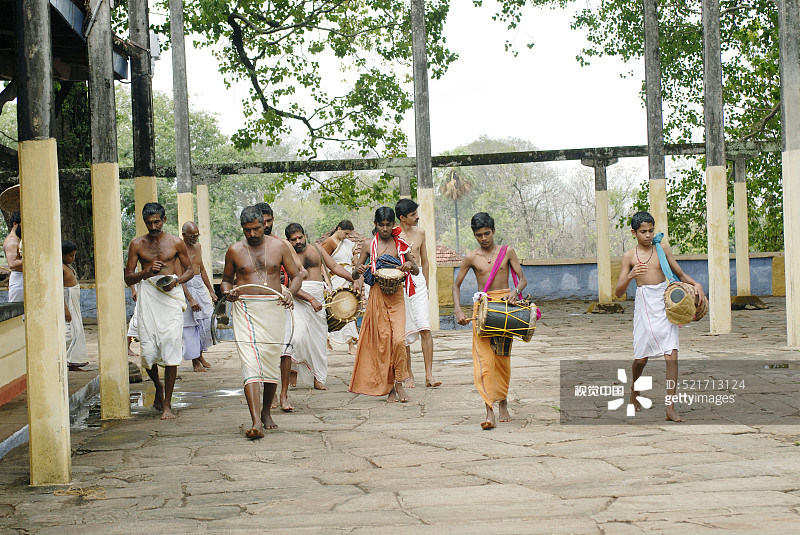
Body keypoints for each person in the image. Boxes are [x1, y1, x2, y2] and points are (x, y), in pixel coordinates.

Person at [615, 211, 706, 423]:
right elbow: (618, 292)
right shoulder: (629, 256)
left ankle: (670, 408)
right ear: (634, 233)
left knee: (671, 355)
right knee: (641, 359)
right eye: (643, 232)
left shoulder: (662, 248)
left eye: (651, 231)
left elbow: (680, 275)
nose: (648, 235)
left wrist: (696, 284)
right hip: (644, 305)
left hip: (665, 302)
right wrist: (630, 276)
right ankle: (634, 391)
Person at [222, 206, 302, 439]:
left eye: (256, 228)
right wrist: (229, 293)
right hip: (245, 308)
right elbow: (226, 281)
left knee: (269, 362)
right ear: (242, 229)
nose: (252, 234)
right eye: (247, 230)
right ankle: (255, 421)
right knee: (250, 363)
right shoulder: (235, 250)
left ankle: (266, 412)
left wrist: (289, 293)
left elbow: (296, 276)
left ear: (264, 224)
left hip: (274, 307)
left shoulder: (279, 246)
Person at [453, 212, 527, 430]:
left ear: (493, 231)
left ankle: (503, 401)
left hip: (505, 309)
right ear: (474, 235)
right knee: (484, 361)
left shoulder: (507, 252)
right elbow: (456, 286)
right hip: (483, 310)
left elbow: (522, 279)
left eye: (487, 233)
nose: (484, 238)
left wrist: (515, 292)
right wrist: (458, 310)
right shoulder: (471, 257)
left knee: (502, 359)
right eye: (479, 235)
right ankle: (489, 410)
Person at [124, 202, 194, 420]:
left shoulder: (175, 242)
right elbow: (128, 277)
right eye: (149, 223)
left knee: (171, 344)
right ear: (145, 222)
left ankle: (167, 405)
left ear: (164, 219)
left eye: (157, 221)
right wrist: (145, 271)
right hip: (149, 297)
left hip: (171, 296)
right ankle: (158, 386)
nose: (153, 226)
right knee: (148, 349)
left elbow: (190, 270)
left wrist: (177, 282)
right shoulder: (137, 244)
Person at [349, 207, 418, 403]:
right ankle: (390, 389)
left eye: (389, 225)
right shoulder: (368, 245)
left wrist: (408, 266)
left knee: (398, 340)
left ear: (394, 224)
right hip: (377, 295)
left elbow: (416, 271)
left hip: (396, 296)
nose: (385, 228)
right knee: (384, 342)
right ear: (375, 225)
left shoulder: (401, 244)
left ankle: (399, 382)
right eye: (381, 225)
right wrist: (358, 270)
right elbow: (355, 275)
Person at [285, 223, 355, 393]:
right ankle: (293, 369)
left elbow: (335, 267)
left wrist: (353, 278)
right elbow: (288, 283)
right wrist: (309, 299)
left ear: (305, 235)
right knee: (297, 337)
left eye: (300, 237)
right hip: (299, 297)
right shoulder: (287, 255)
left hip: (318, 298)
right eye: (293, 239)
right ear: (289, 241)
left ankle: (318, 378)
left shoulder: (316, 248)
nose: (298, 241)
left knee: (318, 341)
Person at [254, 202, 307, 411]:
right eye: (262, 222)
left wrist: (288, 288)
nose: (266, 225)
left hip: (281, 301)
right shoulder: (246, 247)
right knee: (264, 351)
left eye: (269, 221)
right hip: (259, 304)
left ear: (273, 220)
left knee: (286, 349)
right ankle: (271, 393)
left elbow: (300, 272)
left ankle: (284, 395)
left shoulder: (281, 244)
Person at [395, 199, 441, 388]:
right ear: (402, 217)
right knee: (404, 332)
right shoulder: (393, 235)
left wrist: (427, 285)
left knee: (425, 328)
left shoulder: (420, 232)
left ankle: (429, 375)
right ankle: (409, 375)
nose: (417, 217)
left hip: (418, 281)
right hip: (399, 283)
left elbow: (425, 260)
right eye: (413, 214)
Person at [181, 221, 217, 372]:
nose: (195, 238)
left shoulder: (198, 246)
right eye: (191, 236)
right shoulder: (179, 249)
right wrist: (189, 298)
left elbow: (201, 268)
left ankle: (200, 354)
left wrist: (211, 290)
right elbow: (178, 276)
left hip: (199, 286)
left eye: (197, 235)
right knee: (191, 326)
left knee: (208, 321)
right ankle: (195, 361)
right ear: (184, 235)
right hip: (185, 287)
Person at [321, 220, 359, 355]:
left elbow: (354, 262)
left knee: (348, 311)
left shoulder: (349, 244)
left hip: (347, 279)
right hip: (334, 280)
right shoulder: (329, 243)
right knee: (332, 312)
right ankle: (326, 342)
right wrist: (327, 281)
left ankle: (350, 344)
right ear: (339, 229)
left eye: (349, 235)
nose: (346, 237)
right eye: (345, 233)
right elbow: (322, 263)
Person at [62, 240, 88, 371]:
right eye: (70, 256)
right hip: (67, 301)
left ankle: (73, 361)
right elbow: (59, 291)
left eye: (74, 255)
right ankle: (64, 359)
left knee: (77, 329)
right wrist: (66, 310)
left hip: (74, 301)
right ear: (62, 255)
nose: (73, 258)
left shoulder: (67, 266)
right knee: (70, 332)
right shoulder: (60, 267)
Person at [3, 211, 22, 303]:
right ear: (15, 224)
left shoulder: (18, 239)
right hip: (18, 282)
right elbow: (12, 263)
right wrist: (33, 259)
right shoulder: (11, 241)